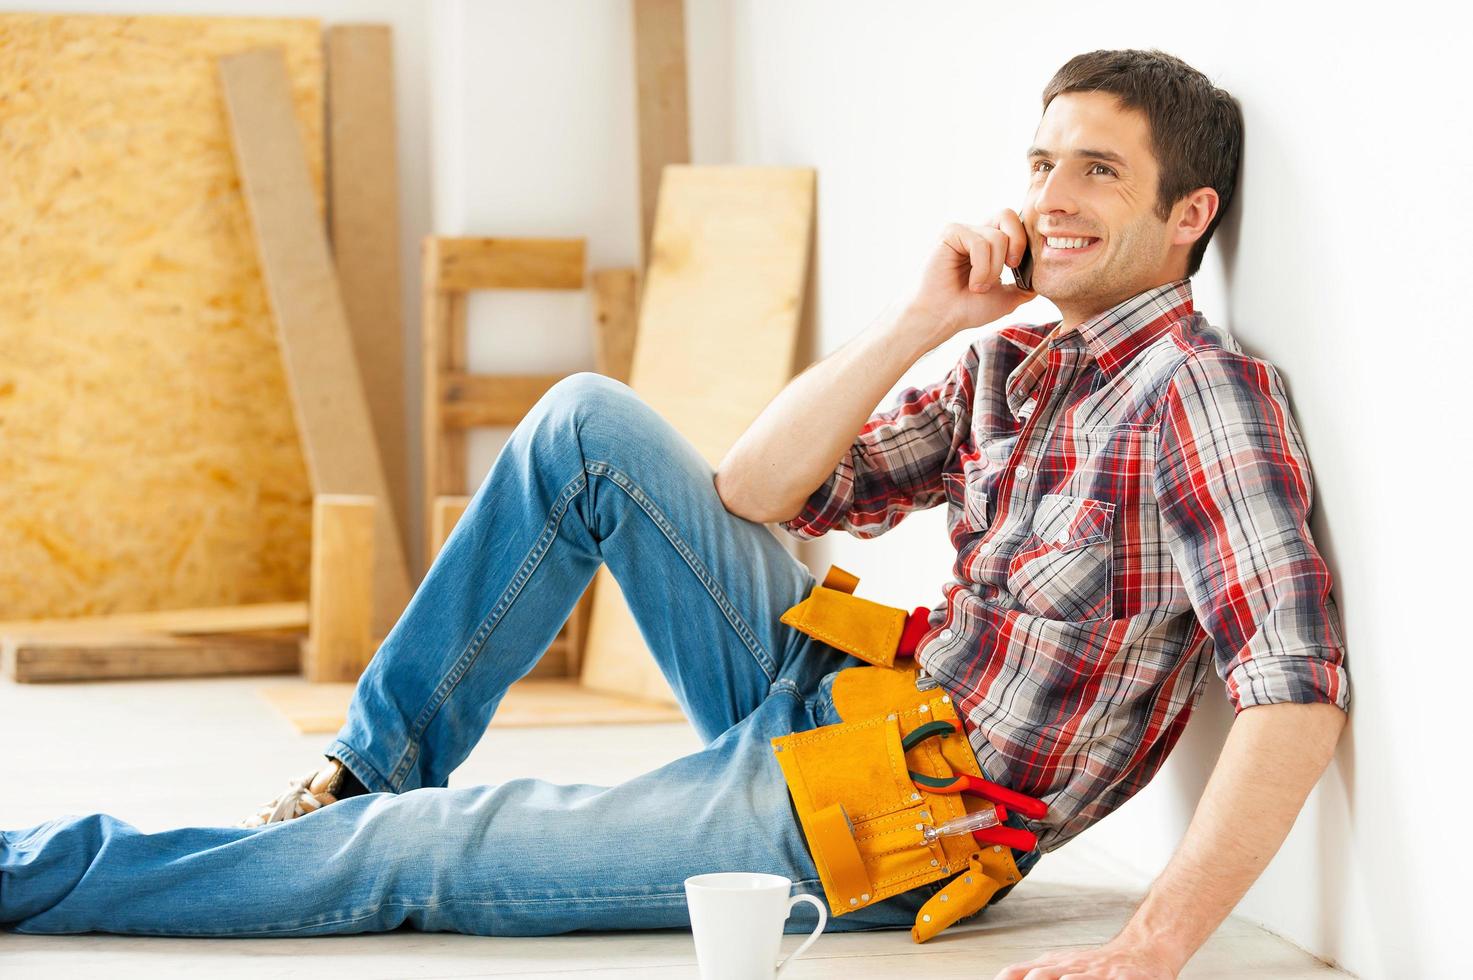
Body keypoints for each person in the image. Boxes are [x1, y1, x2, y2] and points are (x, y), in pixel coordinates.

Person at [1, 47, 1349, 979]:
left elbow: (1294, 691)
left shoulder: (1200, 398)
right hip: (840, 686)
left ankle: (35, 869)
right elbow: (760, 492)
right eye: (1041, 160)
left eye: (1097, 173)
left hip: (887, 821)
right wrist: (921, 318)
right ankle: (364, 767)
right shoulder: (1018, 359)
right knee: (587, 422)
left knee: (420, 862)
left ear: (1189, 215)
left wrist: (1155, 942)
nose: (1049, 197)